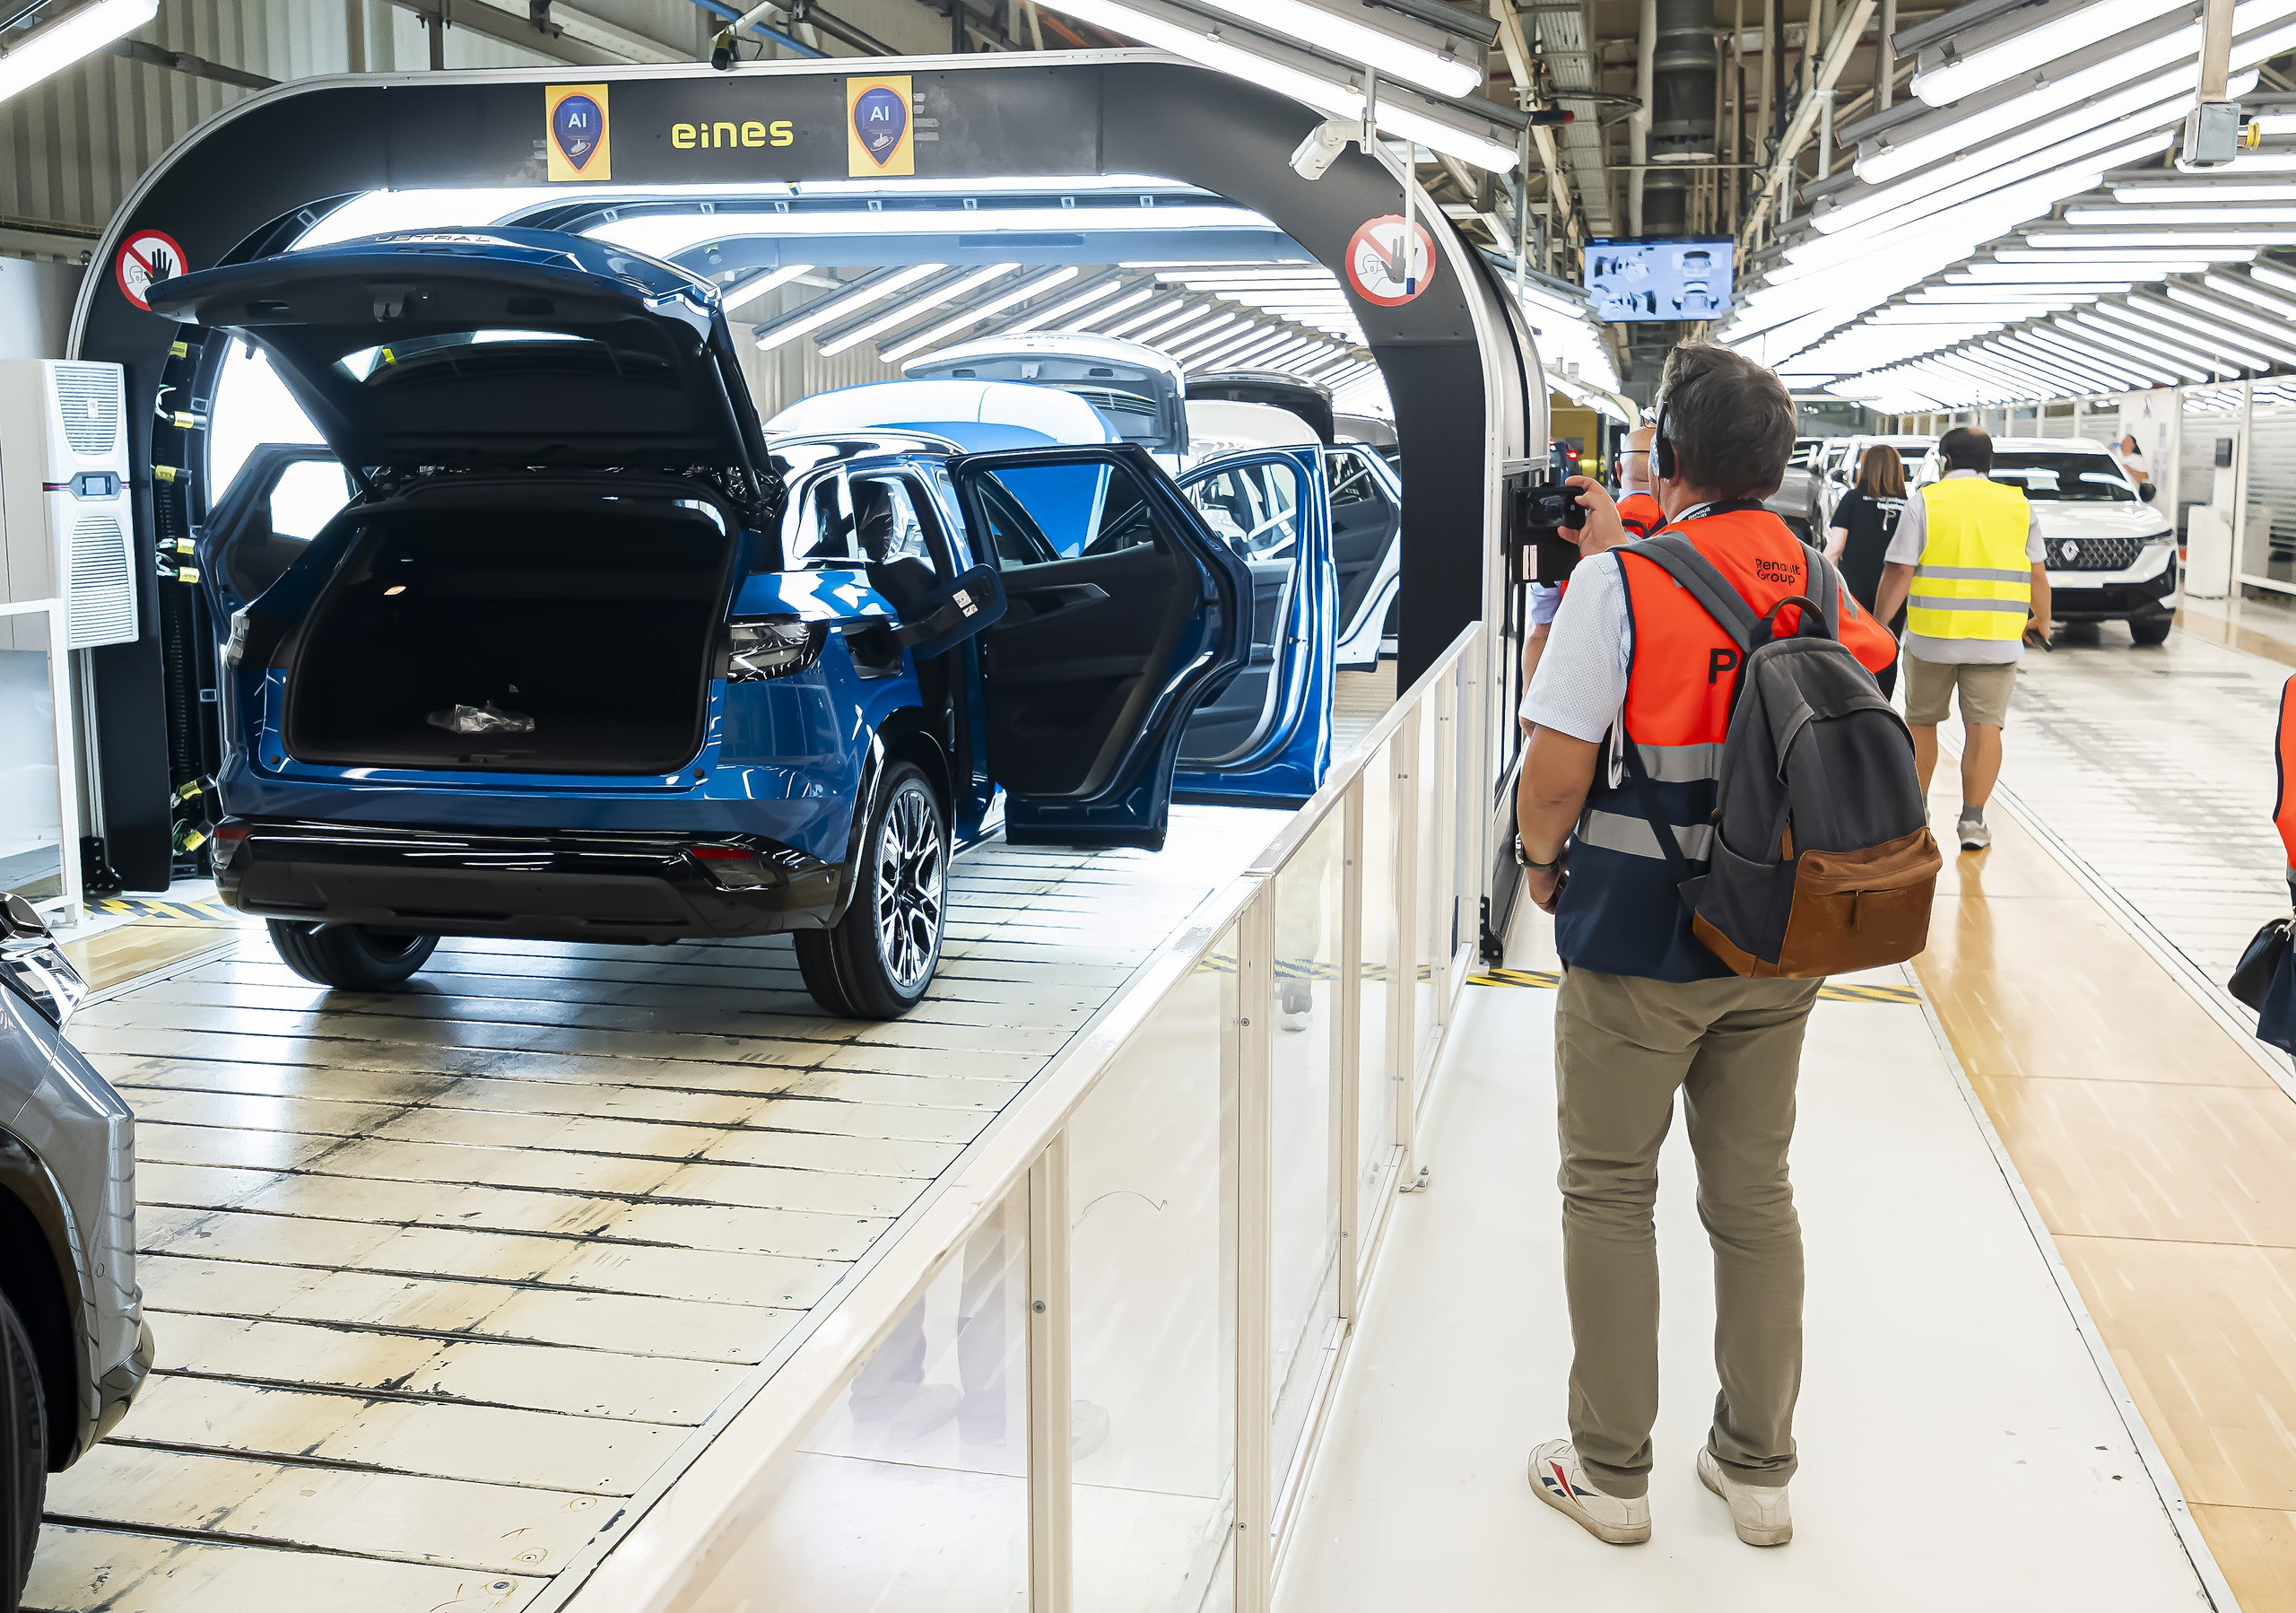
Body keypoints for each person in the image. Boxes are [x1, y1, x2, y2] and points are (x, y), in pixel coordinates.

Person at [1515, 343, 1897, 1550]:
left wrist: (1536, 865)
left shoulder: (1618, 585)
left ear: (1667, 456)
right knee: (1754, 1196)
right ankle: (1757, 1466)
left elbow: (1556, 772)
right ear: (1779, 464)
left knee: (1611, 1194)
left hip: (1637, 939)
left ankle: (1611, 1473)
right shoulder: (1817, 579)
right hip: (1778, 938)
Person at [1872, 427, 2050, 853]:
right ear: (1989, 462)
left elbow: (1899, 570)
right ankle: (1973, 822)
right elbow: (2038, 574)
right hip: (1996, 642)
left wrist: (1879, 623)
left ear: (1945, 460)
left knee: (1921, 722)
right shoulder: (2018, 505)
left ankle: (1917, 814)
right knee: (1985, 728)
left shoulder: (1926, 501)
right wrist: (2042, 621)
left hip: (1933, 638)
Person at [1519, 424, 1657, 733]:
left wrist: (1530, 707)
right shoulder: (1684, 538)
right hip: (1649, 709)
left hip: (1576, 702)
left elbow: (1540, 633)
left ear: (1618, 469)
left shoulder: (1570, 530)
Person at [1825, 443, 1910, 698]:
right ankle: (1882, 703)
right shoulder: (1910, 505)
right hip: (1895, 590)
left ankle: (1854, 702)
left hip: (1854, 589)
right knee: (1888, 645)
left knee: (1853, 648)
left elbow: (1834, 549)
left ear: (1866, 468)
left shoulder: (1852, 499)